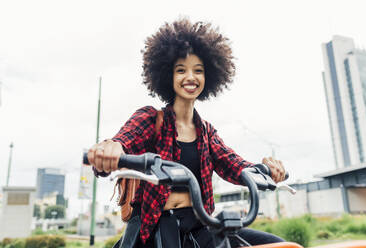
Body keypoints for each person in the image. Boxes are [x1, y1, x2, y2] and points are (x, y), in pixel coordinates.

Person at [87, 18, 286, 248]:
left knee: (276, 245)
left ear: (208, 76)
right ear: (168, 76)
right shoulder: (151, 119)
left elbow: (234, 165)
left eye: (198, 70)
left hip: (201, 226)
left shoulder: (206, 132)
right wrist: (110, 149)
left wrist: (266, 171)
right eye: (181, 70)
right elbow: (124, 141)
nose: (190, 77)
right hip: (155, 230)